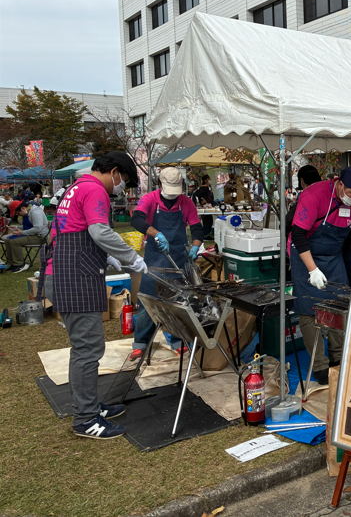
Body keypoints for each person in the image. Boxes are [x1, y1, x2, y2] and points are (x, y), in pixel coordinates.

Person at [46, 151, 148, 439]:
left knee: (86, 348)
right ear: (114, 171)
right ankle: (85, 419)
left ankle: (90, 405)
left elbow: (74, 232)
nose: (120, 186)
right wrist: (130, 257)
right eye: (123, 180)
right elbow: (100, 232)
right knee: (88, 350)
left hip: (71, 273)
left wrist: (105, 258)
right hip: (75, 278)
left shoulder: (75, 187)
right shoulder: (94, 189)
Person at [290, 167, 351, 384]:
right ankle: (319, 365)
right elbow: (298, 234)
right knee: (309, 310)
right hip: (304, 253)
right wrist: (312, 270)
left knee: (339, 305)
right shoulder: (314, 195)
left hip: (333, 256)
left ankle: (337, 357)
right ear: (340, 183)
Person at [129, 167, 205, 359]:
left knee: (178, 303)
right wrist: (156, 234)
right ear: (160, 184)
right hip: (154, 260)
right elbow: (137, 220)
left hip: (178, 260)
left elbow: (197, 229)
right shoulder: (149, 199)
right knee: (147, 302)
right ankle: (141, 343)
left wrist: (196, 246)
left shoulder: (186, 202)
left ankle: (179, 340)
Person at [1, 200, 49, 272]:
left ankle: (20, 264)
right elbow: (28, 226)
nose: (19, 215)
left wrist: (22, 232)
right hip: (33, 234)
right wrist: (16, 228)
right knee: (8, 240)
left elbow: (37, 229)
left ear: (22, 208)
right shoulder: (28, 212)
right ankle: (13, 263)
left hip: (40, 237)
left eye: (18, 213)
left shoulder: (36, 213)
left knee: (14, 241)